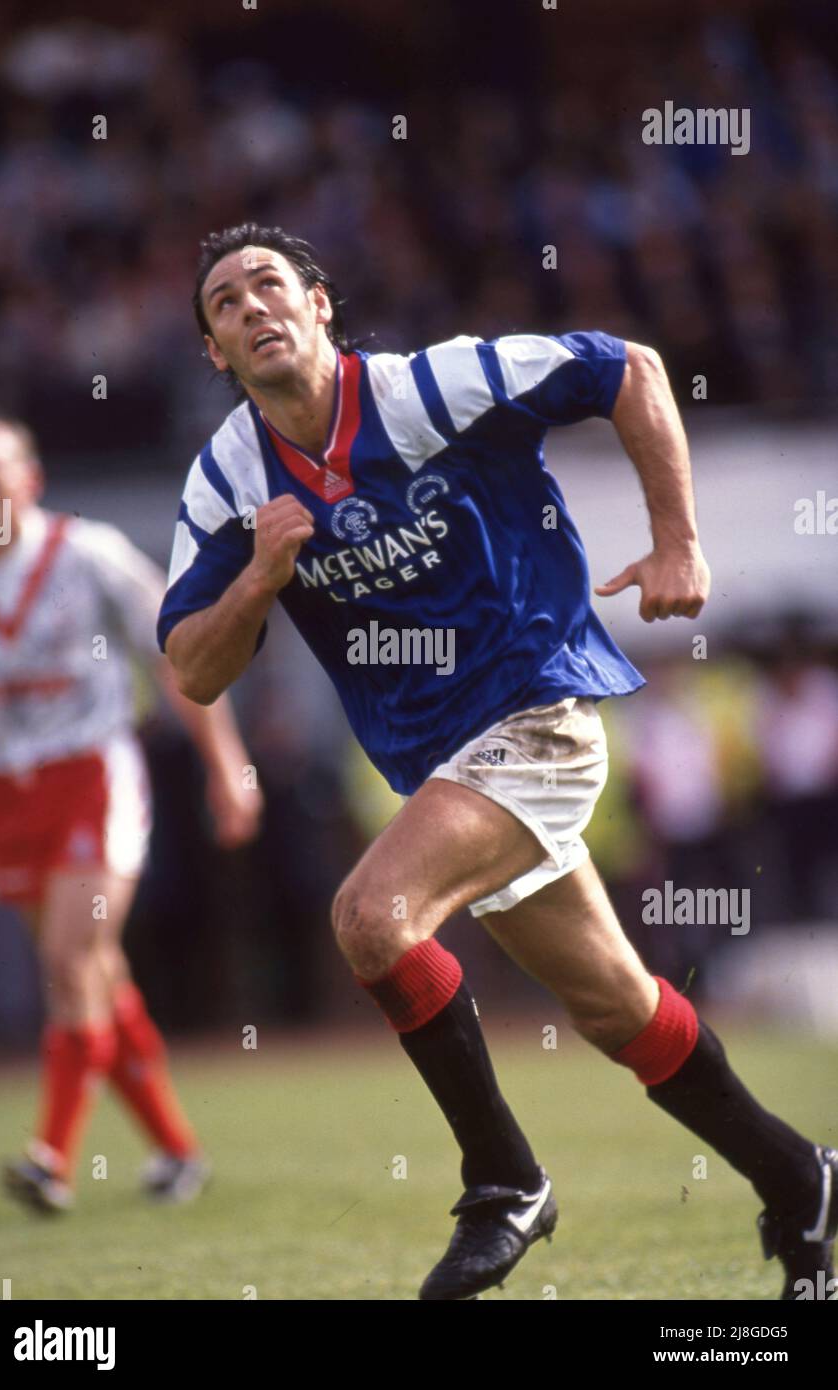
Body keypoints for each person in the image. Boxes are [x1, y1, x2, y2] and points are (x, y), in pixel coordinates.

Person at [159, 223, 836, 1301]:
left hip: (539, 707)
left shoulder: (428, 387)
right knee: (619, 1010)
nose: (250, 307)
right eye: (225, 304)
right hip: (447, 767)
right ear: (214, 353)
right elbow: (191, 667)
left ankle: (503, 1182)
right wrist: (255, 579)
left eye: (269, 284)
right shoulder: (227, 479)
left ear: (320, 304)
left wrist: (678, 539)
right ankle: (798, 1176)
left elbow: (631, 368)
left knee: (370, 915)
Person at [0, 409, 262, 1212]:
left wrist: (226, 765)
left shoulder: (86, 554)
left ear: (30, 479)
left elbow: (179, 657)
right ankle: (175, 1149)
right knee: (93, 972)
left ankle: (50, 1158)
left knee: (67, 960)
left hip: (92, 778)